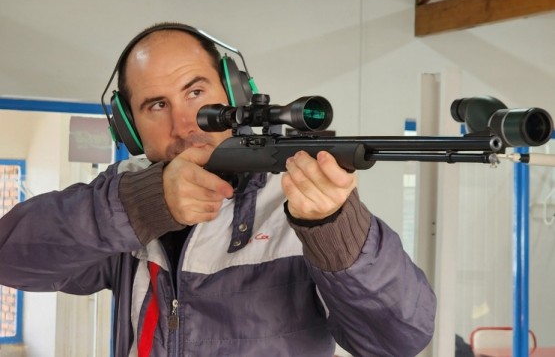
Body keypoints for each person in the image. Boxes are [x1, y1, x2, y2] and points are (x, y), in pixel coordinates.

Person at [0, 22, 436, 357]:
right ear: (129, 128)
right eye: (156, 105)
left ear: (235, 92)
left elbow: (397, 340)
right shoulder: (125, 191)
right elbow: (12, 259)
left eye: (195, 91)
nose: (185, 125)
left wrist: (332, 229)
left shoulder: (295, 196)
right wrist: (143, 205)